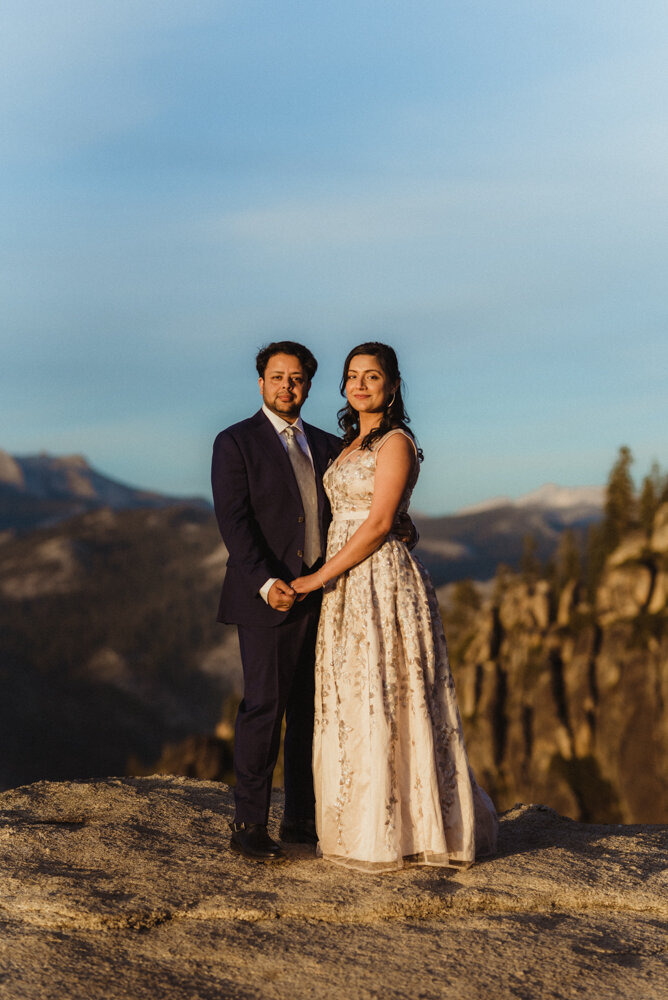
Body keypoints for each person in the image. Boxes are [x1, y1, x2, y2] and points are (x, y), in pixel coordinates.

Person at [291, 342, 498, 871]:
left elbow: (382, 522)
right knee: (355, 698)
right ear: (343, 386)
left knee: (389, 695)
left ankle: (410, 830)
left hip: (378, 582)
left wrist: (317, 577)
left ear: (393, 384)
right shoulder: (348, 443)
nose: (361, 385)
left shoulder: (396, 441)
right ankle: (361, 827)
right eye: (352, 376)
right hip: (346, 587)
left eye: (372, 376)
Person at [212, 342, 341, 861]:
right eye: (277, 377)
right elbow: (234, 522)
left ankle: (301, 822)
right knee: (264, 708)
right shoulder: (235, 442)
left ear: (308, 385)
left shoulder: (330, 445)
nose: (287, 386)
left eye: (297, 379)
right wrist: (267, 583)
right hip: (268, 598)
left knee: (311, 710)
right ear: (261, 382)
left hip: (324, 596)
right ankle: (248, 825)